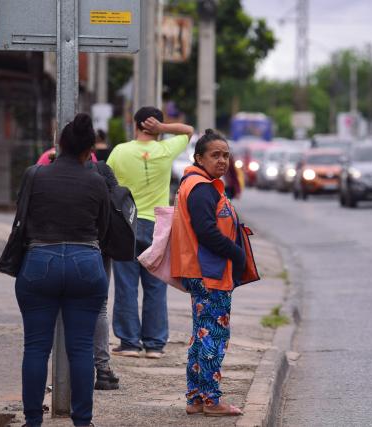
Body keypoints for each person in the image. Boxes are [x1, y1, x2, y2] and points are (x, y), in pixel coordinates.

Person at [16, 113, 109, 427]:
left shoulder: (35, 175)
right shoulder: (97, 180)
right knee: (81, 348)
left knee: (36, 347)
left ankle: (32, 421)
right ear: (88, 152)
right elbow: (104, 228)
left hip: (41, 262)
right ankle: (82, 421)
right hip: (86, 263)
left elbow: (22, 220)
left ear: (59, 145)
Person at [170, 129, 258, 417]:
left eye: (225, 155)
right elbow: (206, 232)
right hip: (209, 273)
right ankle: (211, 401)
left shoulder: (200, 184)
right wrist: (237, 253)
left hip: (202, 271)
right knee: (213, 338)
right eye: (215, 155)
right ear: (199, 157)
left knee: (201, 335)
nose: (222, 160)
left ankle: (195, 398)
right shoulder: (201, 188)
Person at [107, 106, 194, 358]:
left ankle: (130, 343)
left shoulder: (120, 151)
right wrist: (163, 129)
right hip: (158, 226)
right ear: (156, 127)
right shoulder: (166, 150)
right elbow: (188, 131)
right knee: (156, 285)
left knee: (126, 285)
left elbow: (109, 183)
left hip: (127, 223)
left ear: (135, 125)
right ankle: (155, 344)